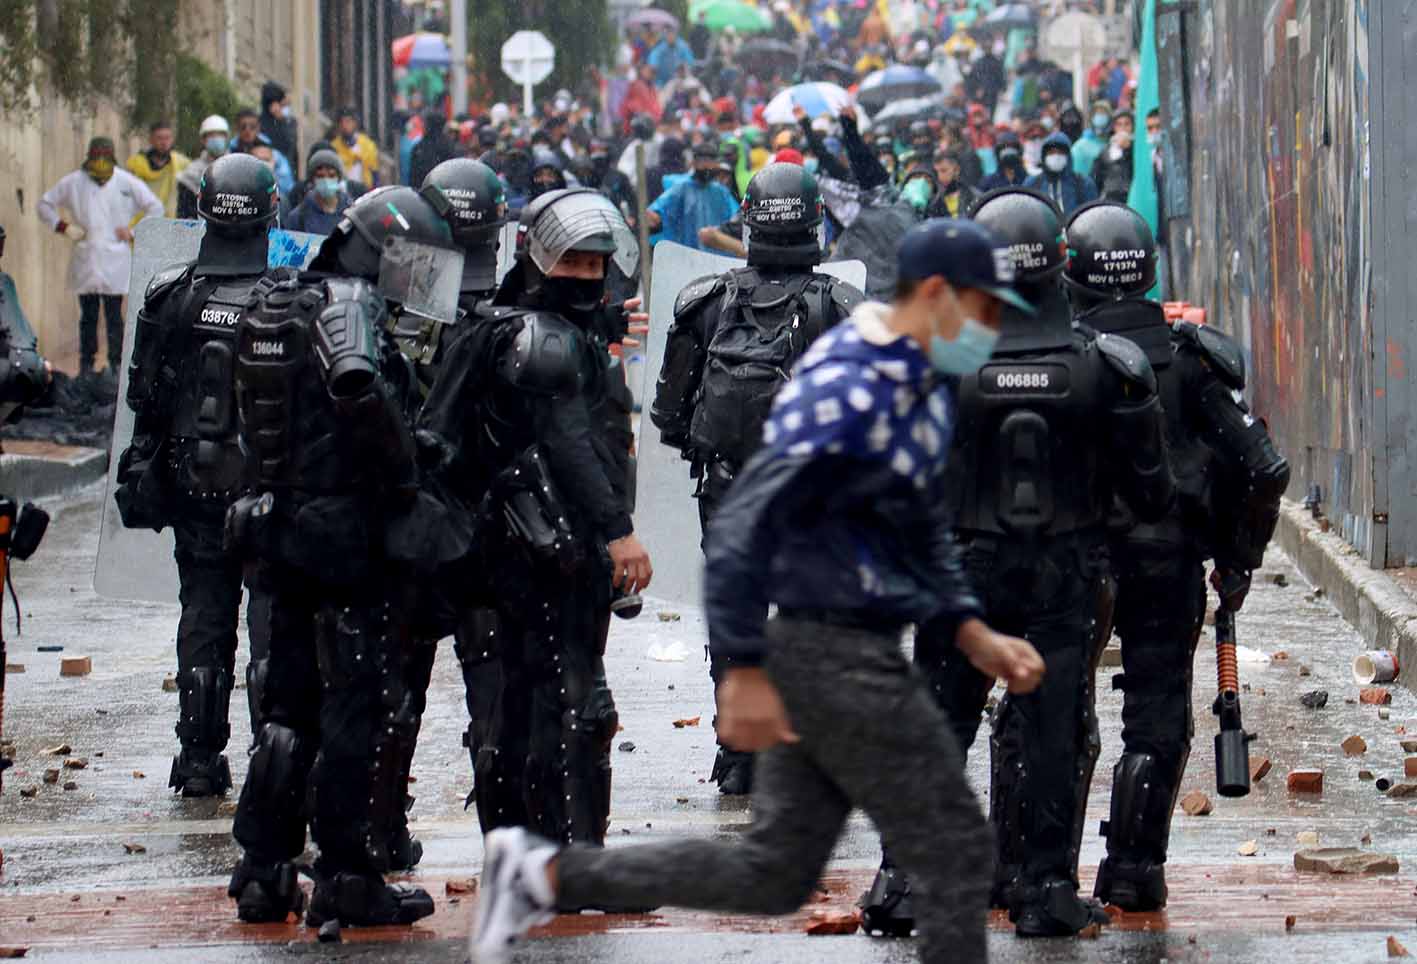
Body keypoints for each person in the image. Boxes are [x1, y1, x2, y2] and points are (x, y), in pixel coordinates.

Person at [469, 217, 1047, 964]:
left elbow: (919, 526)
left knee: (774, 871)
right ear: (936, 294)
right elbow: (743, 521)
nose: (990, 327)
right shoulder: (848, 381)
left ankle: (538, 871)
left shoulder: (915, 379)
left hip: (849, 644)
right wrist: (741, 667)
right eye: (984, 308)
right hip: (829, 647)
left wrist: (971, 631)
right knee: (955, 846)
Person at [862, 187, 1176, 940]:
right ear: (1058, 267)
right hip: (1060, 574)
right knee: (1050, 731)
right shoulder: (1111, 366)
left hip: (959, 570)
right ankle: (1043, 890)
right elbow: (1152, 491)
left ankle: (904, 884)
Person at [224, 185, 463, 927]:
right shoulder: (347, 304)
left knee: (287, 707)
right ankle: (346, 876)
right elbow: (357, 386)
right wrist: (402, 476)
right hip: (347, 534)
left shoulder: (277, 299)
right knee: (359, 703)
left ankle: (263, 871)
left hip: (280, 524)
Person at [1063, 201, 1290, 912]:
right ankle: (1133, 871)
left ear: (1071, 274)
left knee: (1049, 712)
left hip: (1076, 566)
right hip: (1167, 561)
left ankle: (1033, 870)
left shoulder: (1057, 356)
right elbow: (1263, 469)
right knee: (1157, 717)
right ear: (1150, 273)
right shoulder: (1188, 359)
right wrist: (1238, 557)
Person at [419, 189, 653, 852]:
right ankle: (571, 857)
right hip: (540, 553)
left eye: (594, 264)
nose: (584, 276)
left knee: (505, 704)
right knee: (573, 703)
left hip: (481, 549)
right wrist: (617, 530)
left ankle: (515, 852)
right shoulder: (540, 339)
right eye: (570, 263)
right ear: (536, 257)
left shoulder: (493, 324)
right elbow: (567, 439)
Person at [651, 162, 864, 795]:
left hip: (726, 489)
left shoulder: (706, 301)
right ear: (814, 223)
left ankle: (739, 751)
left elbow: (668, 415)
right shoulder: (843, 306)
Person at [114, 153, 277, 798]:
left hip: (195, 480)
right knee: (272, 623)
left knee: (204, 618)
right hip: (269, 488)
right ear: (270, 212)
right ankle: (276, 755)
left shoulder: (170, 296)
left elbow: (143, 398)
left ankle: (201, 759)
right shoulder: (290, 299)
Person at [37, 136, 163, 379]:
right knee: (88, 317)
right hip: (87, 256)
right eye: (97, 157)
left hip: (115, 259)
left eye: (105, 158)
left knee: (115, 317)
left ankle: (115, 365)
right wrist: (63, 227)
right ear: (89, 157)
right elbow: (44, 205)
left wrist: (133, 231)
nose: (101, 163)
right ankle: (86, 365)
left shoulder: (126, 182)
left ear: (112, 158)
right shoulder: (74, 182)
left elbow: (155, 206)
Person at [646, 143, 738, 250]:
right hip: (686, 253)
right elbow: (659, 213)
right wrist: (654, 218)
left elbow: (735, 218)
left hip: (716, 256)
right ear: (694, 163)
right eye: (703, 161)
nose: (707, 166)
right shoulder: (681, 189)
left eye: (711, 162)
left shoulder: (721, 192)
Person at [1024, 132, 1098, 217]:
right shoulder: (1033, 183)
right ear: (1044, 156)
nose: (1056, 156)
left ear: (1068, 156)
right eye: (1051, 153)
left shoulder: (1083, 183)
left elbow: (1092, 216)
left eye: (1060, 152)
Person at [125, 120, 190, 218]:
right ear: (150, 140)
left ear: (172, 140)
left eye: (167, 138)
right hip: (140, 224)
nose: (164, 142)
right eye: (159, 138)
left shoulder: (181, 163)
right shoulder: (136, 164)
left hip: (170, 225)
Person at [283, 149, 352, 235]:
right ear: (312, 180)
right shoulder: (298, 217)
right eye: (320, 176)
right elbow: (285, 246)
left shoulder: (352, 213)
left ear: (339, 178)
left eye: (331, 175)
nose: (326, 180)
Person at [177, 116, 231, 220]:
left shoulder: (238, 167)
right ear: (203, 140)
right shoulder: (191, 172)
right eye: (211, 135)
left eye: (220, 135)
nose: (216, 139)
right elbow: (185, 212)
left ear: (226, 138)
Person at [233, 109, 295, 195]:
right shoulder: (229, 152)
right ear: (237, 128)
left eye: (252, 126)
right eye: (243, 126)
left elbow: (287, 185)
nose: (247, 130)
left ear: (258, 127)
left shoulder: (274, 154)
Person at [332, 108, 380, 188]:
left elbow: (374, 172)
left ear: (354, 123)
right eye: (342, 122)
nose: (345, 126)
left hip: (365, 189)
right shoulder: (334, 147)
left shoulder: (367, 145)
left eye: (348, 122)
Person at [260, 81, 299, 178]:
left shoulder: (288, 124)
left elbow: (293, 156)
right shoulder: (261, 128)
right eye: (283, 105)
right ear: (273, 106)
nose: (285, 110)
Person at [1091, 114, 1135, 203]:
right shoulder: (1105, 152)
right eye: (1119, 124)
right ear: (1114, 127)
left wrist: (1128, 149)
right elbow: (1095, 179)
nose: (1123, 128)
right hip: (1111, 201)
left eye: (1127, 124)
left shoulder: (1138, 150)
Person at [409, 110, 457, 189]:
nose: (423, 126)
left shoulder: (420, 148)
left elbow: (413, 178)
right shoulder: (448, 145)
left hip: (423, 192)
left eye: (425, 123)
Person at [1072, 101, 1111, 176]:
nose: (1100, 117)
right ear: (1091, 118)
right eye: (1097, 114)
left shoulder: (1112, 142)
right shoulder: (1081, 146)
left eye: (1103, 113)